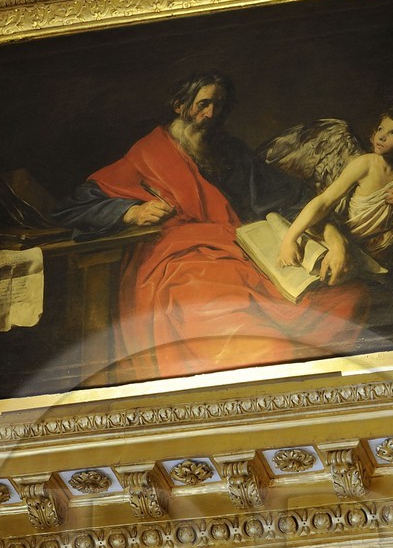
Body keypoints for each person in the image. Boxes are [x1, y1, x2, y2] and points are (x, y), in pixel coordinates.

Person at [51, 72, 367, 380]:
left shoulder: (229, 150)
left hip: (244, 251)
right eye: (203, 104)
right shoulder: (148, 153)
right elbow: (72, 207)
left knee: (344, 299)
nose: (211, 114)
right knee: (256, 341)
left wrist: (334, 239)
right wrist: (131, 212)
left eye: (219, 106)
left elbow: (290, 196)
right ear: (180, 105)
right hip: (177, 264)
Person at [278, 107, 393, 272]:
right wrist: (289, 239)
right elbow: (324, 202)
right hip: (351, 243)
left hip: (382, 260)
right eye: (381, 129)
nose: (382, 137)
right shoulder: (366, 164)